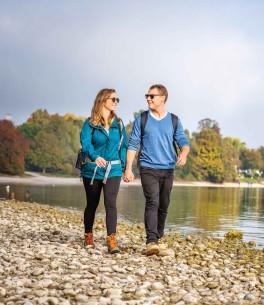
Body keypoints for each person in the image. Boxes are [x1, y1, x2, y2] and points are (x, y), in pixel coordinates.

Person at [124, 84, 190, 256]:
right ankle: (151, 241)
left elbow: (183, 141)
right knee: (152, 201)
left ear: (163, 98)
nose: (148, 98)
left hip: (168, 168)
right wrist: (128, 168)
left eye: (152, 96)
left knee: (164, 204)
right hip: (147, 167)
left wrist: (183, 153)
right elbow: (133, 144)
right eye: (147, 95)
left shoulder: (174, 120)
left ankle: (158, 236)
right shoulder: (142, 119)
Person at [79, 88, 127, 254]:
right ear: (103, 100)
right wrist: (94, 156)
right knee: (92, 204)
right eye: (113, 99)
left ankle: (111, 240)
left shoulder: (119, 124)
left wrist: (123, 167)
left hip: (113, 170)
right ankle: (88, 235)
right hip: (92, 170)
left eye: (117, 100)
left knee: (110, 204)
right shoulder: (89, 124)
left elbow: (123, 146)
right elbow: (85, 144)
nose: (116, 102)